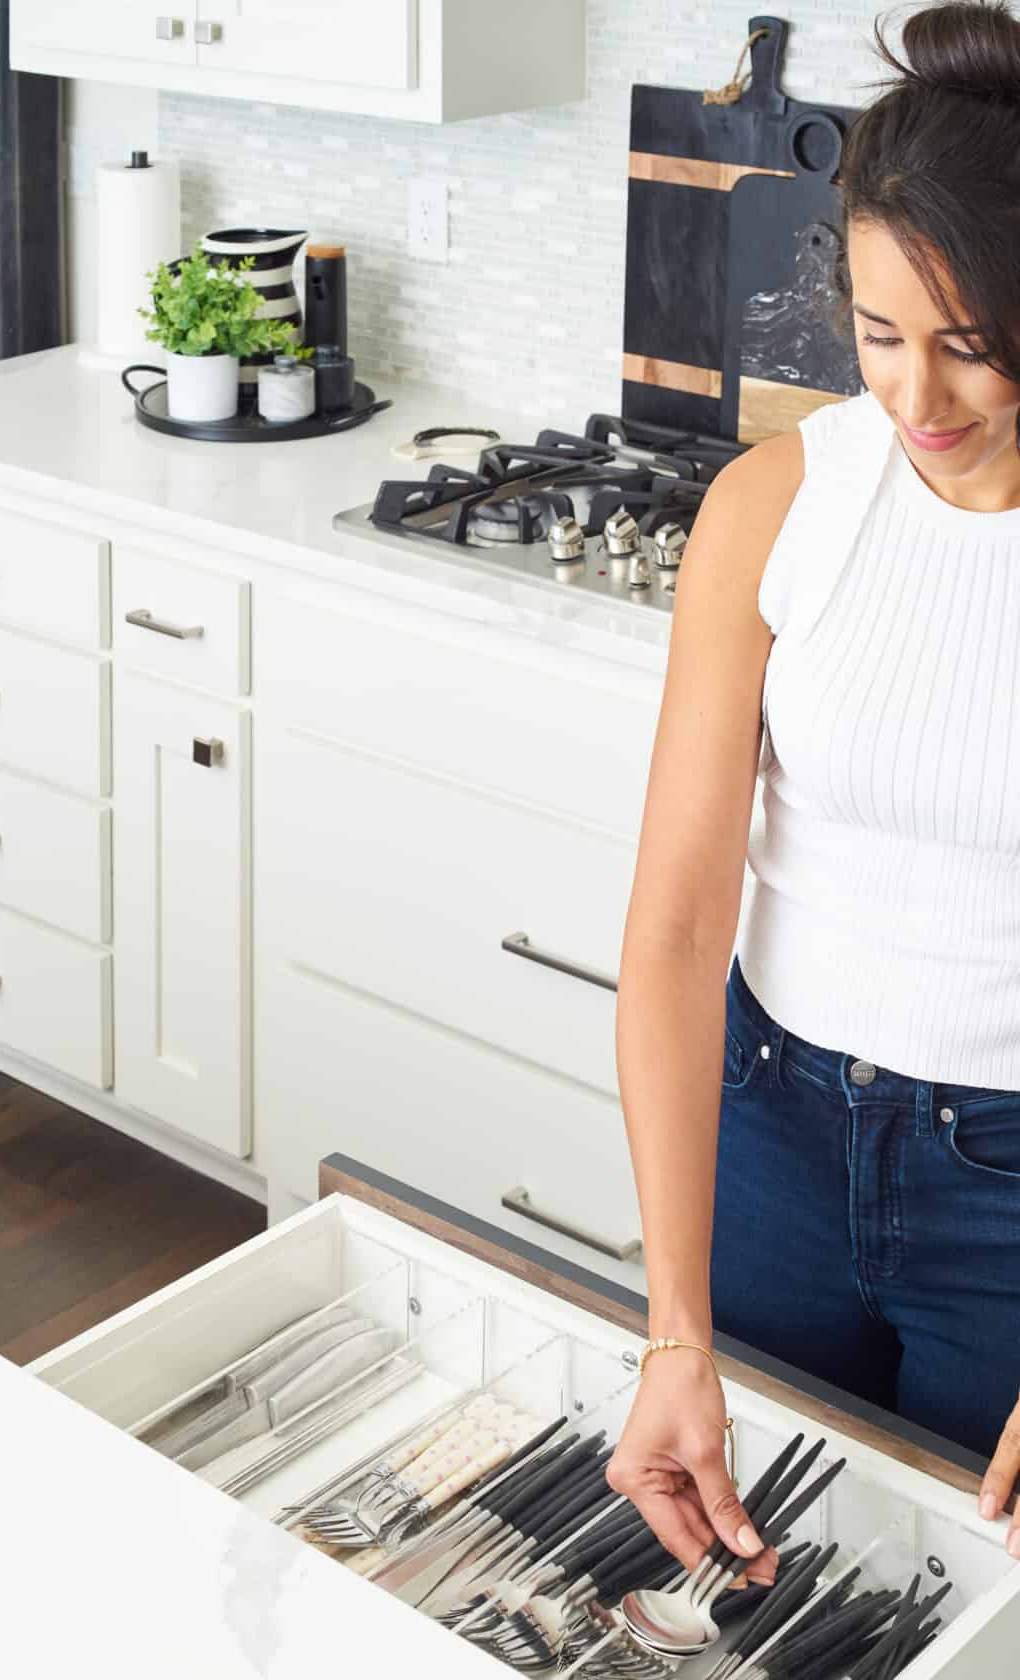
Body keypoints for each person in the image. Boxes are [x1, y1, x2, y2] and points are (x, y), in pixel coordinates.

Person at [606, 0, 1020, 1589]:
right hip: (772, 1138)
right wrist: (673, 1325)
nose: (919, 394)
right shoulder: (777, 505)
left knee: (963, 1608)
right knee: (752, 1580)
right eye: (877, 331)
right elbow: (677, 928)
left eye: (974, 343)